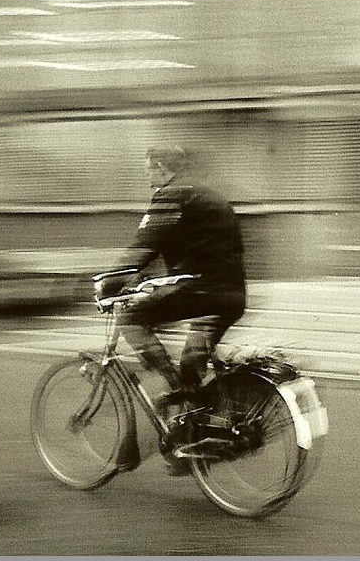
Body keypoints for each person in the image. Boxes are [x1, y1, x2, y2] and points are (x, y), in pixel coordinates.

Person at [106, 146, 247, 474]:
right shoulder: (209, 195)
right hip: (231, 296)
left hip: (199, 292)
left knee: (132, 316)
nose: (147, 177)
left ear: (160, 167)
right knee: (192, 362)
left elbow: (144, 247)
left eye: (148, 170)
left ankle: (173, 389)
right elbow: (188, 248)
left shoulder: (171, 196)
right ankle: (191, 440)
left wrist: (109, 282)